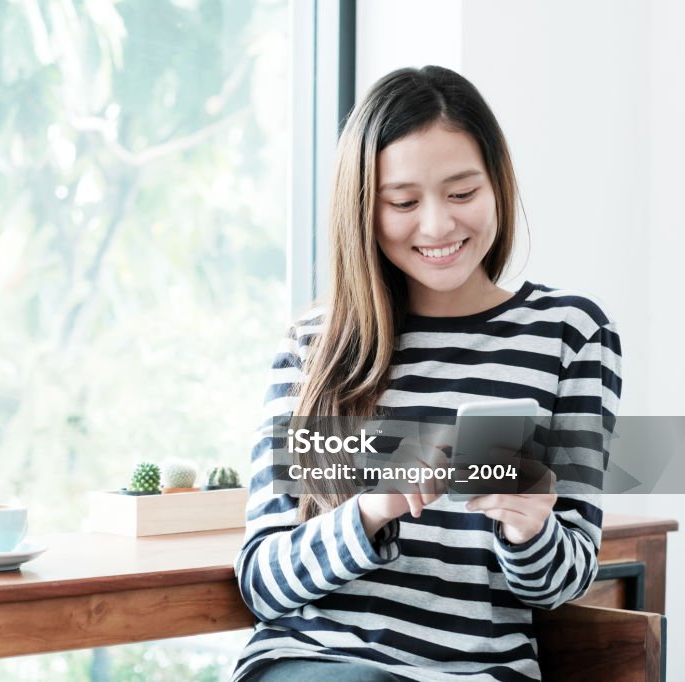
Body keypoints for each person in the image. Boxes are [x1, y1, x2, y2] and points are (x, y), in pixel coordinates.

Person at [231, 65, 622, 682]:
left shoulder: (570, 334)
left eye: (462, 194)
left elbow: (565, 579)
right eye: (404, 202)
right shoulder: (315, 346)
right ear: (363, 207)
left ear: (498, 185)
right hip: (318, 662)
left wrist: (531, 532)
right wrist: (371, 511)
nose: (437, 226)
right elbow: (262, 582)